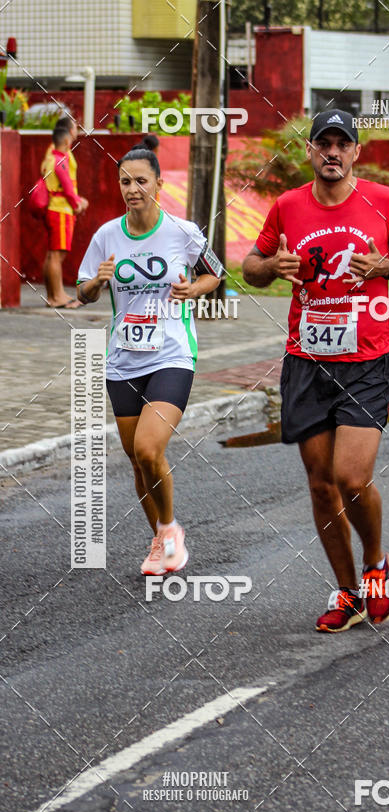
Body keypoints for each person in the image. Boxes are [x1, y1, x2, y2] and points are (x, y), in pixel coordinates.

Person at [243, 109, 389, 633]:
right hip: (306, 362)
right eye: (322, 143)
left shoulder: (385, 201)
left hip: (367, 361)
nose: (332, 151)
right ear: (310, 151)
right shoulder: (287, 206)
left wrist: (386, 267)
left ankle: (376, 565)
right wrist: (272, 268)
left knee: (352, 478)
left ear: (355, 152)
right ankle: (348, 592)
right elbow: (250, 269)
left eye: (341, 143)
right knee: (321, 484)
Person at [76, 141, 223, 575]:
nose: (133, 188)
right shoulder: (107, 235)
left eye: (141, 180)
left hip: (172, 354)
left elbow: (216, 273)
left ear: (159, 183)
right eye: (125, 181)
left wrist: (194, 289)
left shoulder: (183, 231)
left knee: (148, 447)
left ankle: (171, 529)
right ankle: (161, 540)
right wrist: (96, 284)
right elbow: (82, 293)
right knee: (138, 460)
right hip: (123, 360)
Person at [42, 116, 89, 308]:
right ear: (68, 136)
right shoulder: (60, 158)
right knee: (56, 255)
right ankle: (57, 296)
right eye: (75, 128)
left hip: (56, 208)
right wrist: (77, 203)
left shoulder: (52, 154)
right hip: (60, 209)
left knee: (52, 254)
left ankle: (54, 295)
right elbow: (67, 185)